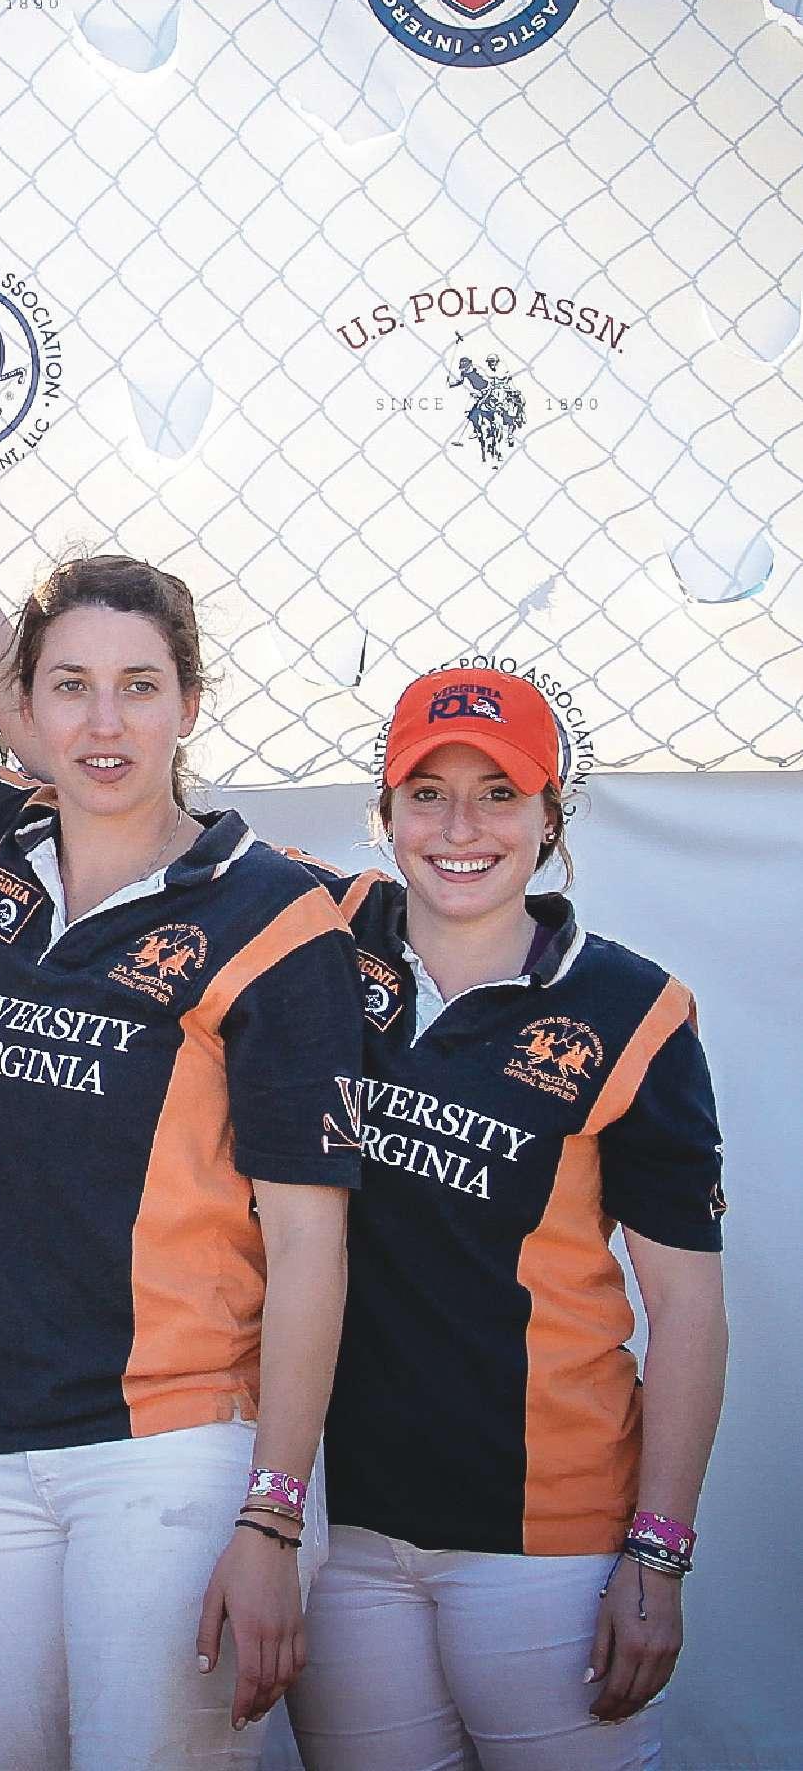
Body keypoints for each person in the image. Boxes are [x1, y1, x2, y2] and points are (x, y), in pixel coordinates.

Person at [0, 466, 364, 1768]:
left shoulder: (271, 916)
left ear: (188, 703)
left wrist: (274, 1512)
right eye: (70, 686)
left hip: (172, 1448)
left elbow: (310, 1244)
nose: (103, 723)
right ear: (27, 707)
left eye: (138, 686)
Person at [288, 666, 728, 1768]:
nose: (460, 829)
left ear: (550, 816)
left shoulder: (632, 1008)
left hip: (548, 1535)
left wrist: (658, 1550)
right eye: (426, 794)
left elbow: (687, 1311)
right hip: (340, 1524)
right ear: (384, 813)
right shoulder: (316, 931)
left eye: (499, 794)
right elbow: (115, 785)